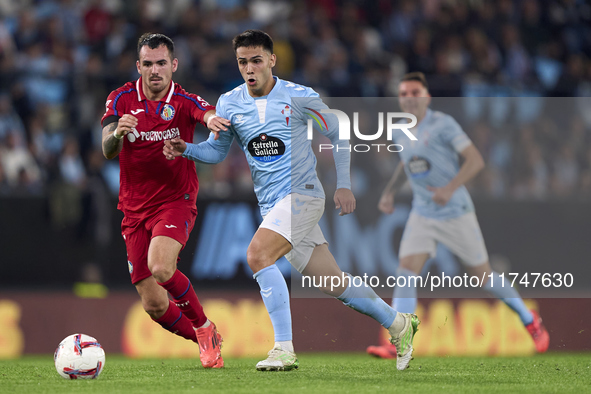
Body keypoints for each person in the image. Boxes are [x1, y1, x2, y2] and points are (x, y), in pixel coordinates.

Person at [163, 29, 420, 372]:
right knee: (333, 282)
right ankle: (399, 323)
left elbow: (337, 131)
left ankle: (283, 348)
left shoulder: (299, 97)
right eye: (243, 62)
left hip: (303, 196)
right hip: (273, 205)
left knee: (257, 254)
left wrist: (344, 184)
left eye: (256, 60)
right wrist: (188, 149)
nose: (250, 68)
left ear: (272, 60)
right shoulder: (229, 103)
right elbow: (217, 151)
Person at [366, 72, 550, 359]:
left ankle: (530, 320)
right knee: (405, 272)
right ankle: (399, 341)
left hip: (454, 211)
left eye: (415, 93)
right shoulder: (399, 129)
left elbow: (475, 160)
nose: (409, 98)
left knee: (484, 277)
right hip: (423, 212)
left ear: (426, 97)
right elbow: (407, 163)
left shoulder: (443, 124)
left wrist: (450, 188)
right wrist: (390, 191)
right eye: (404, 93)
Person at [101, 33, 225, 368]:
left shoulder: (183, 100)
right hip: (133, 209)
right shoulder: (121, 99)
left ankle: (202, 327)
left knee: (161, 267)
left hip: (175, 200)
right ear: (138, 65)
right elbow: (106, 150)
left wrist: (213, 121)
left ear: (174, 65)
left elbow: (207, 113)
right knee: (154, 305)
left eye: (161, 63)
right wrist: (117, 134)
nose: (155, 70)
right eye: (148, 64)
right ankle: (206, 335)